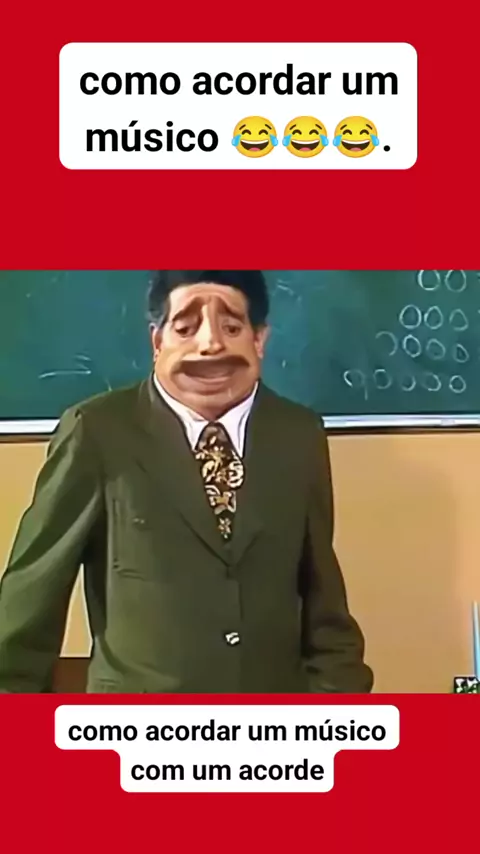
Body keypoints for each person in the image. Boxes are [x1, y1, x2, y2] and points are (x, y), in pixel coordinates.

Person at [0, 270, 373, 693]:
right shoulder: (97, 431)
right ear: (157, 342)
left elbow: (323, 599)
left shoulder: (298, 434)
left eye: (231, 327)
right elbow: (31, 598)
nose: (210, 344)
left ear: (259, 339)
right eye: (185, 328)